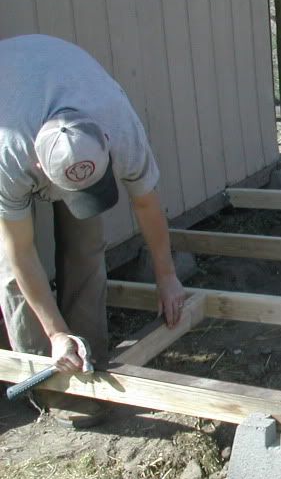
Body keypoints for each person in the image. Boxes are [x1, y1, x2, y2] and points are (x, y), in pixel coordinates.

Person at [0, 34, 186, 427]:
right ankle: (50, 378)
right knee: (9, 270)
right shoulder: (9, 151)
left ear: (105, 143)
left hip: (52, 80)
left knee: (85, 243)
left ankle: (89, 358)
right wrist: (54, 333)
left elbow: (147, 204)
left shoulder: (119, 124)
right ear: (38, 167)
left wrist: (167, 276)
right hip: (12, 104)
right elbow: (20, 252)